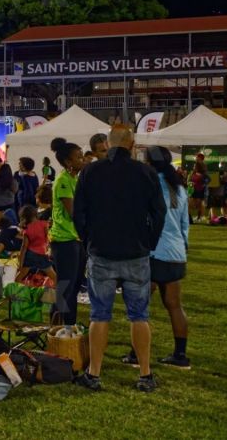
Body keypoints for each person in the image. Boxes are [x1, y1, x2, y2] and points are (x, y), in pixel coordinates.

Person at [72, 126, 166, 393]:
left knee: (100, 314)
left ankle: (95, 373)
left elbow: (78, 213)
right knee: (139, 316)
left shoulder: (90, 172)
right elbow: (159, 213)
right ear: (132, 144)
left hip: (101, 251)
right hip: (136, 252)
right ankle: (145, 374)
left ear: (108, 144)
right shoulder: (145, 172)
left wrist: (88, 239)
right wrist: (150, 241)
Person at [123, 146, 191, 370]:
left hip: (153, 252)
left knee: (140, 306)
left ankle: (136, 354)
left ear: (150, 164)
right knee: (174, 305)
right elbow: (184, 224)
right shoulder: (179, 188)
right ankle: (180, 355)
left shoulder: (149, 185)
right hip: (176, 253)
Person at [48, 138, 85, 334]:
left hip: (76, 239)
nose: (83, 160)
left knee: (74, 286)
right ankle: (56, 326)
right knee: (65, 286)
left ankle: (70, 325)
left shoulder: (75, 179)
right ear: (69, 162)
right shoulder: (63, 181)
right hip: (64, 240)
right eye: (79, 157)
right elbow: (73, 212)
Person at [17, 205, 57, 285]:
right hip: (42, 255)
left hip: (30, 255)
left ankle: (14, 292)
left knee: (20, 276)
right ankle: (56, 293)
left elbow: (24, 247)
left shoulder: (26, 230)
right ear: (36, 214)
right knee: (54, 277)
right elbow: (48, 238)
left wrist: (20, 264)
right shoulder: (44, 224)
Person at [189, 154, 208, 222]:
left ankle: (200, 217)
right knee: (193, 203)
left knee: (200, 203)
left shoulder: (203, 166)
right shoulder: (195, 171)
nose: (196, 158)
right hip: (194, 189)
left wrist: (203, 184)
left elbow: (207, 178)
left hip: (199, 189)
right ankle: (196, 217)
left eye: (197, 157)